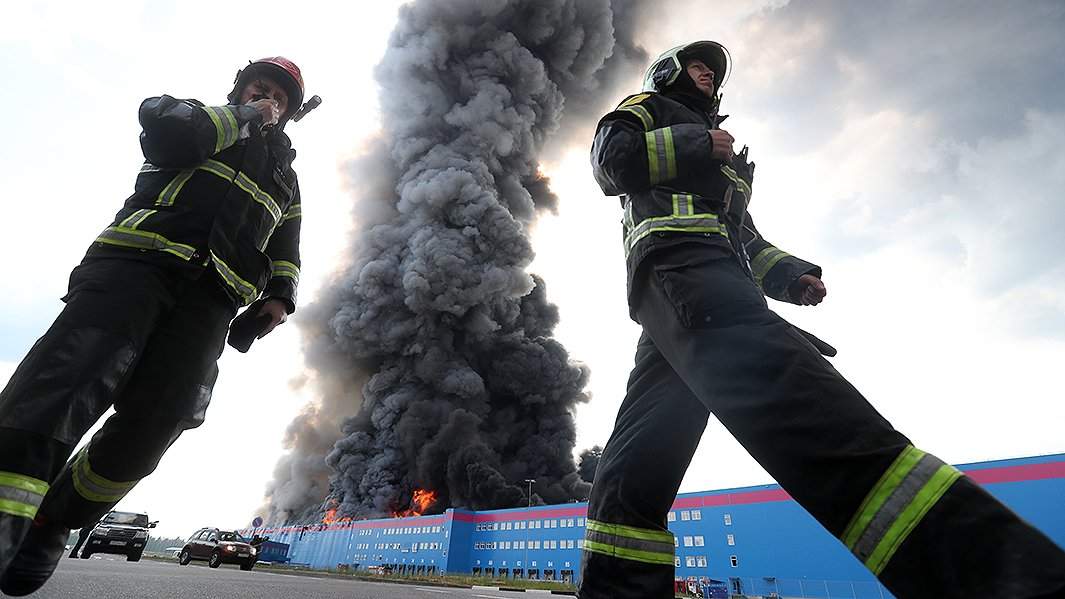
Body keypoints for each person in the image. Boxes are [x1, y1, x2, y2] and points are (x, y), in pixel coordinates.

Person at [578, 41, 1065, 599]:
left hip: (688, 292)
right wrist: (695, 142)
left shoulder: (727, 162)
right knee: (793, 396)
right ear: (668, 72)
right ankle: (998, 577)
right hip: (682, 270)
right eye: (697, 63)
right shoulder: (648, 107)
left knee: (635, 466)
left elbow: (742, 238)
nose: (709, 71)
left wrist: (790, 277)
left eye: (714, 68)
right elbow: (610, 161)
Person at [0, 56, 307, 595]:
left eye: (282, 99)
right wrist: (243, 116)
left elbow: (286, 247)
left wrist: (280, 297)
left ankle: (54, 518)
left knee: (167, 415)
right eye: (263, 89)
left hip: (211, 299)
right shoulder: (192, 116)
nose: (271, 101)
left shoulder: (287, 176)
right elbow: (167, 133)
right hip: (135, 266)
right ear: (240, 88)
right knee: (65, 382)